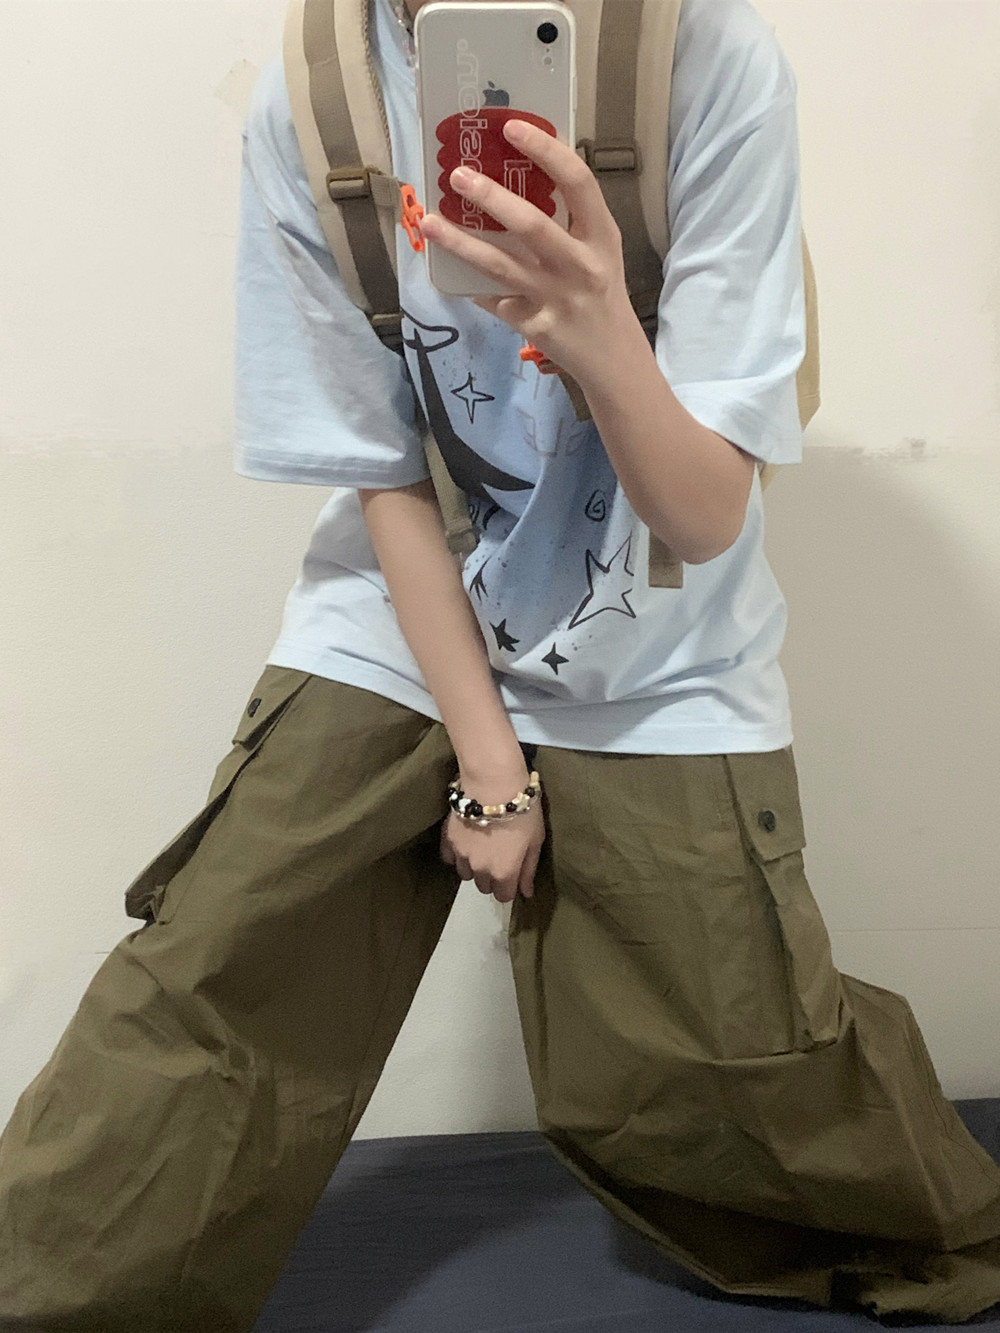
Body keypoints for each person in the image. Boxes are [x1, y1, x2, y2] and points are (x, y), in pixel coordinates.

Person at [2, 0, 999, 1328]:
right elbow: (383, 474)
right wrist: (490, 767)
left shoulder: (700, 55)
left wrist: (598, 325)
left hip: (657, 632)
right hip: (404, 609)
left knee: (729, 1077)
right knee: (216, 982)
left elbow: (704, 514)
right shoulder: (316, 94)